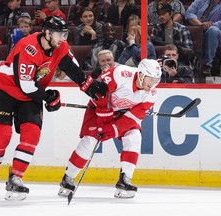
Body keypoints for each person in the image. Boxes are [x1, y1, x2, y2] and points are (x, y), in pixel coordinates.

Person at [0, 16, 108, 201]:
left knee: (32, 133)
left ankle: (15, 178)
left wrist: (89, 85)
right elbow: (25, 85)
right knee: (3, 134)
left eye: (65, 34)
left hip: (31, 93)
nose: (63, 38)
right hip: (5, 89)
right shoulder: (28, 46)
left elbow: (71, 68)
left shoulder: (60, 46)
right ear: (47, 33)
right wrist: (49, 97)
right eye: (59, 34)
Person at [58, 58, 162, 199]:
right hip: (98, 107)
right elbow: (98, 90)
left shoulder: (152, 93)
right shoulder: (121, 74)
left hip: (121, 113)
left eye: (156, 80)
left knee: (134, 136)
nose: (152, 84)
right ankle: (68, 178)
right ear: (141, 74)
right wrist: (104, 118)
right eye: (150, 79)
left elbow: (134, 116)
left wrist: (114, 128)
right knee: (90, 142)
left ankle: (125, 180)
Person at [185, 0, 221, 76]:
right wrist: (201, 24)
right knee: (183, 30)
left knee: (213, 31)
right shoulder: (200, 1)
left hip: (217, 31)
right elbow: (189, 13)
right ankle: (186, 65)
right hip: (198, 28)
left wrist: (211, 25)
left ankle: (207, 65)